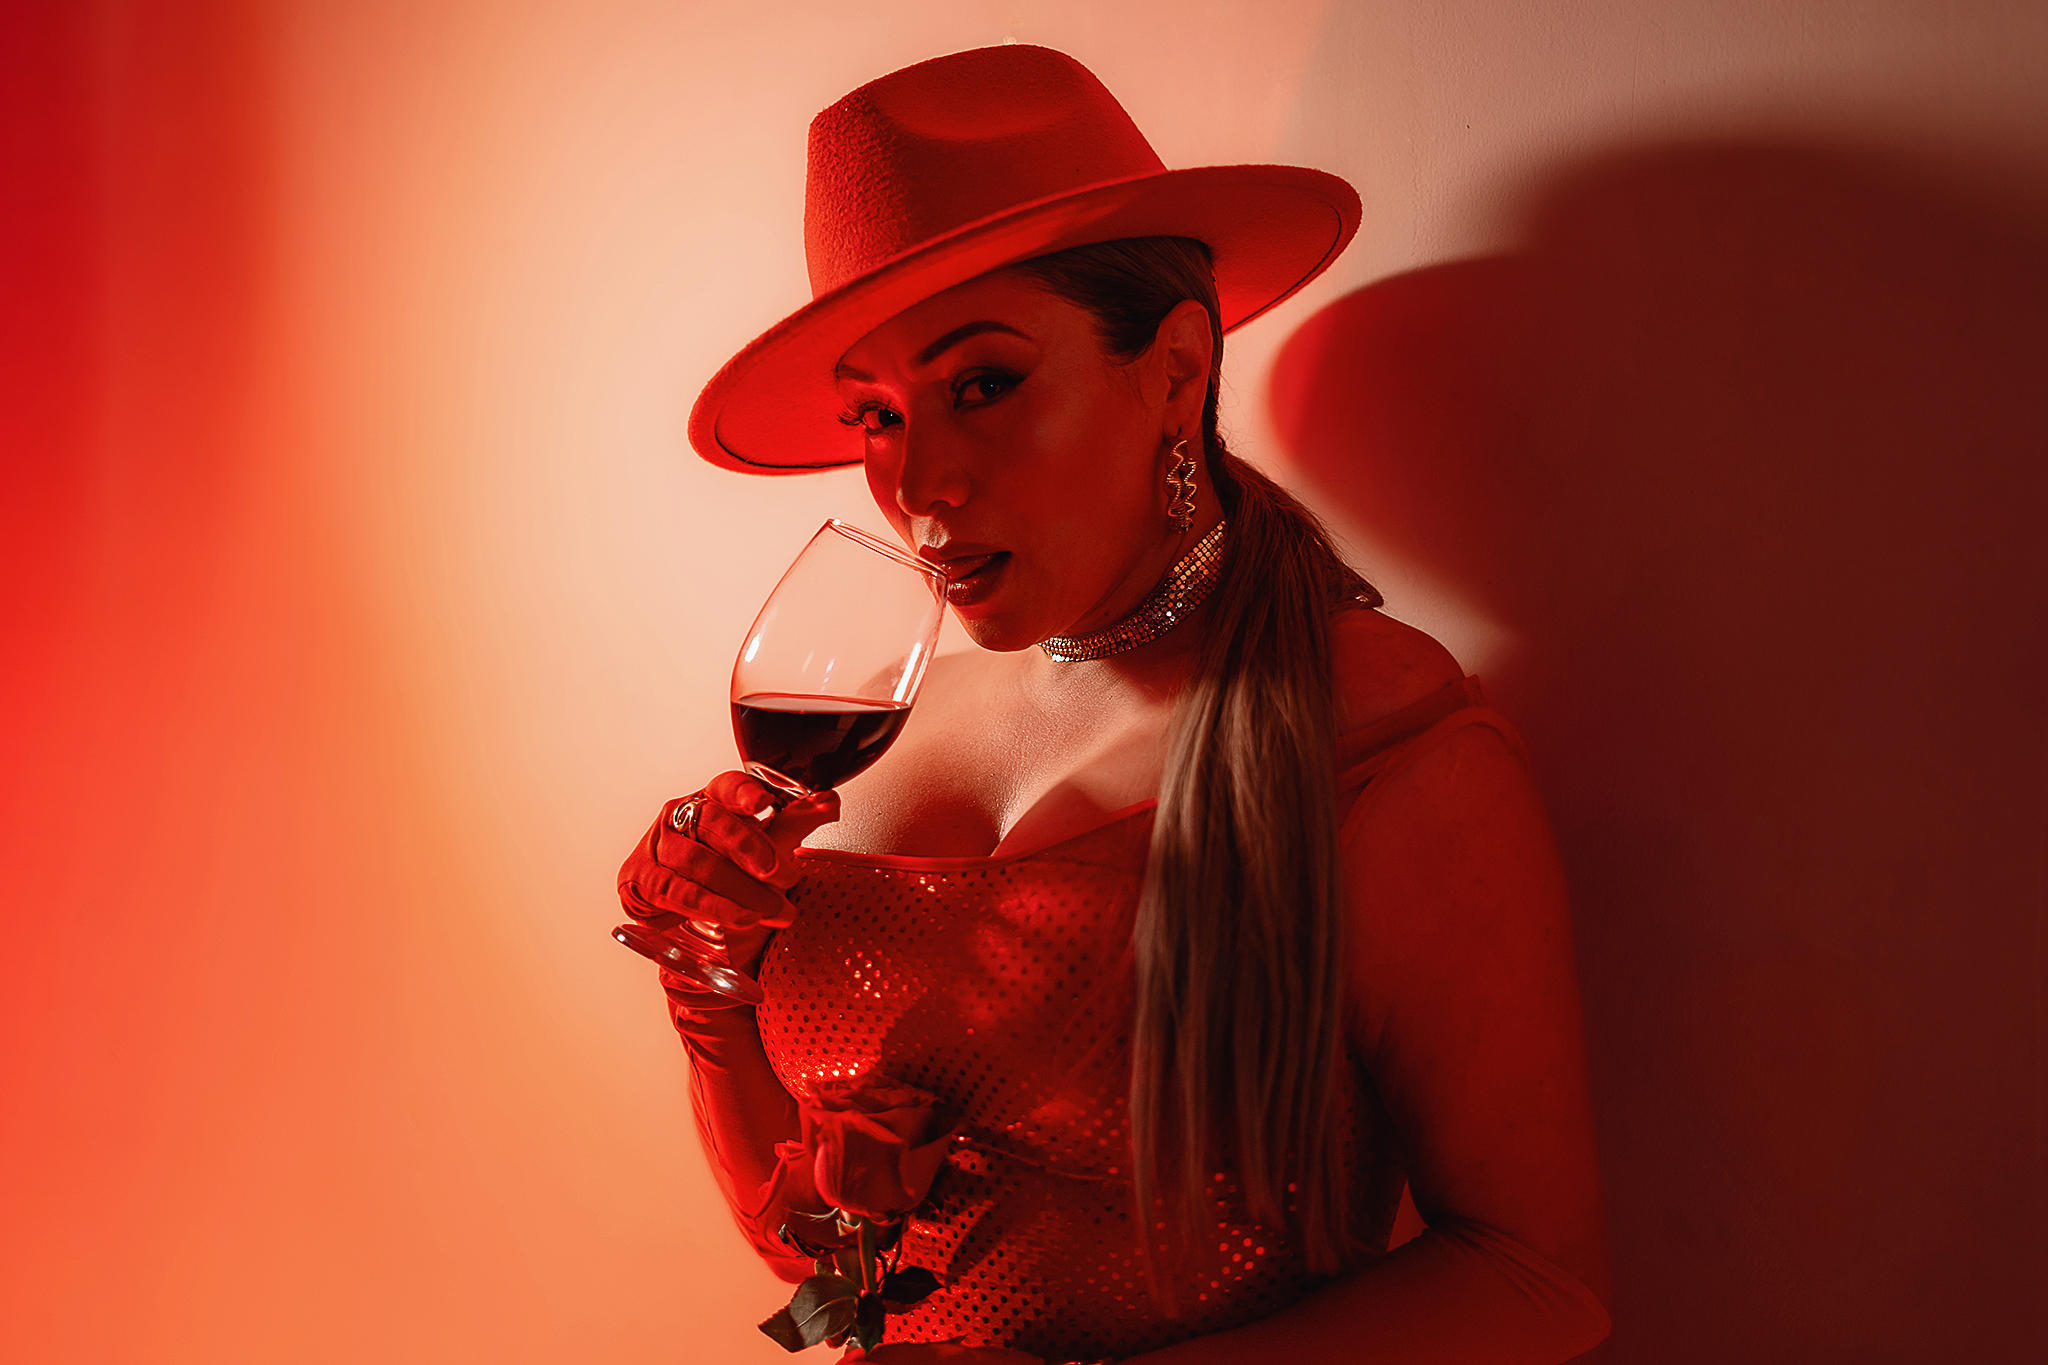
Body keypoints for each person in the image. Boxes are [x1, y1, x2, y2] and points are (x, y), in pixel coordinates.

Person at [616, 44, 1612, 1365]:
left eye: (982, 384)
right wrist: (709, 988)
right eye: (876, 416)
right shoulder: (877, 738)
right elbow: (824, 1282)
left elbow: (1537, 1282)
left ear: (1177, 369)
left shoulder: (1376, 743)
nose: (918, 483)